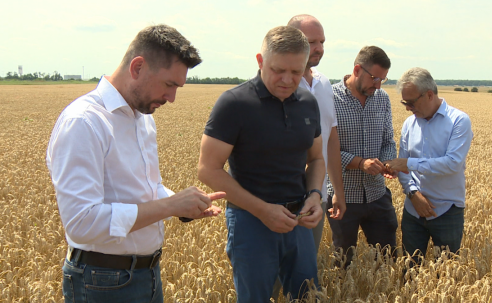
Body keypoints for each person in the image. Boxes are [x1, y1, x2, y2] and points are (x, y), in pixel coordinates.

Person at [46, 24, 225, 303]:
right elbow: (81, 222)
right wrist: (169, 205)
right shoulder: (84, 122)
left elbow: (144, 191)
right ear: (137, 67)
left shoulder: (143, 118)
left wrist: (182, 204)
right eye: (169, 84)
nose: (172, 98)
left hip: (147, 274)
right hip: (101, 282)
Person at [197, 26, 325, 302]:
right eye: (278, 70)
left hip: (299, 220)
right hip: (250, 221)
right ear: (259, 61)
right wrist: (263, 210)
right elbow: (207, 169)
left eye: (296, 71)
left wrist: (314, 195)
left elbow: (316, 158)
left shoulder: (308, 103)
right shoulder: (234, 103)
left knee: (307, 297)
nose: (287, 79)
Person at [386, 67, 473, 263]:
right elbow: (403, 169)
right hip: (413, 211)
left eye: (410, 102)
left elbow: (452, 163)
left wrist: (408, 163)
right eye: (404, 102)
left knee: (447, 274)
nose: (408, 107)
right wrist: (413, 194)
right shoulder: (409, 124)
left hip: (447, 210)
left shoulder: (459, 121)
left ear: (429, 95)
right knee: (409, 271)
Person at [329, 46, 398, 268]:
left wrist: (387, 163)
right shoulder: (329, 98)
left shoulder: (382, 99)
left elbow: (388, 140)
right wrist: (359, 163)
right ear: (357, 69)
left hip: (378, 194)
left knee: (388, 259)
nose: (377, 85)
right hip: (343, 197)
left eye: (383, 80)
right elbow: (322, 149)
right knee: (342, 262)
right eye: (375, 78)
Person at [287, 14, 346, 251]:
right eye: (312, 42)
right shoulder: (278, 85)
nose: (319, 48)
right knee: (273, 278)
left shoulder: (323, 83)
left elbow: (330, 139)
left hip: (317, 196)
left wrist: (337, 192)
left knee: (305, 272)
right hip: (281, 198)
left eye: (322, 42)